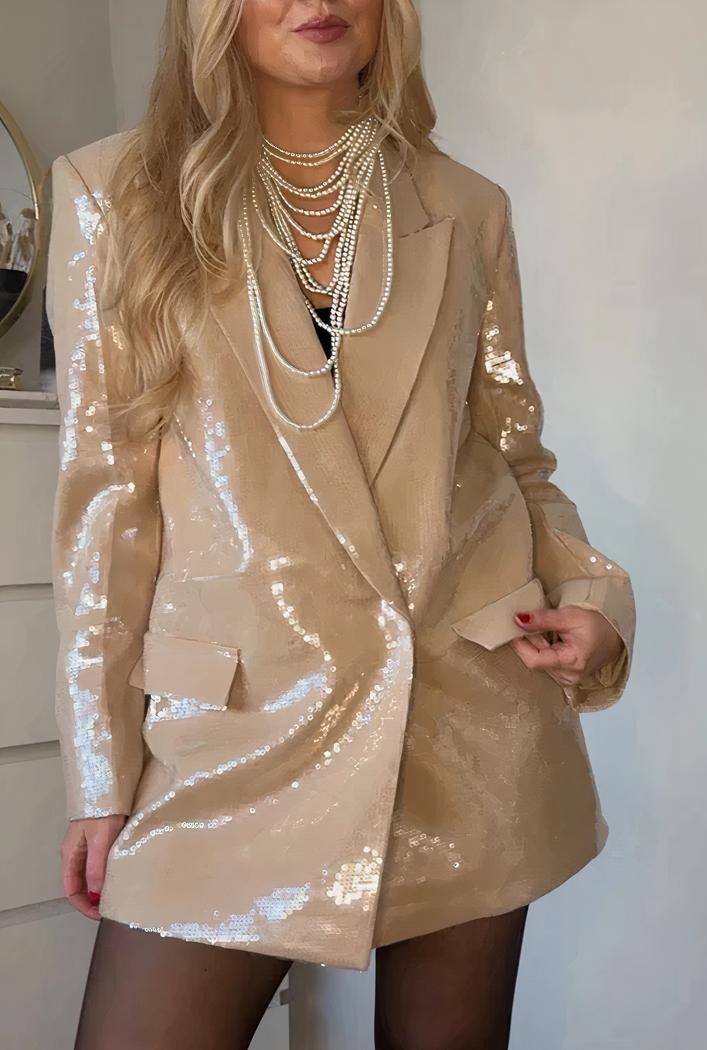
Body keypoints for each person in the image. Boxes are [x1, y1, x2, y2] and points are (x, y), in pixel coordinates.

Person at [47, 1, 637, 1047]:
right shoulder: (115, 194)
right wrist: (100, 770)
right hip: (235, 733)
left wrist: (592, 597)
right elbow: (108, 506)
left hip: (463, 726)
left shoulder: (464, 206)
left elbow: (512, 457)